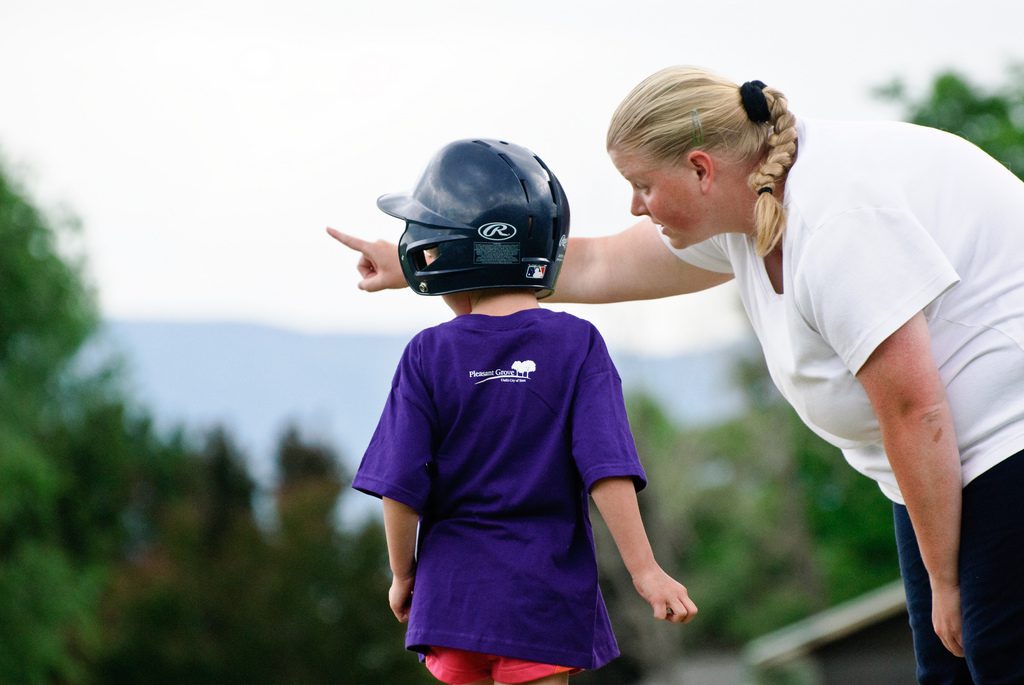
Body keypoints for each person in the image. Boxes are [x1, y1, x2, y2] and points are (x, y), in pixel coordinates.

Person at [330, 66, 1024, 685]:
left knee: (991, 652)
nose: (636, 207)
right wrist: (431, 262)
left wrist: (944, 579)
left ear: (700, 168)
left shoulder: (837, 217)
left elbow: (916, 412)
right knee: (951, 665)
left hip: (1001, 451)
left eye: (641, 186)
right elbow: (597, 265)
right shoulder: (746, 208)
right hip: (937, 469)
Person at [347, 137, 697, 685]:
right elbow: (607, 469)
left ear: (459, 251)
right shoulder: (578, 344)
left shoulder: (427, 353)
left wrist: (402, 574)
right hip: (543, 599)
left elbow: (400, 487)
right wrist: (645, 571)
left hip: (452, 600)